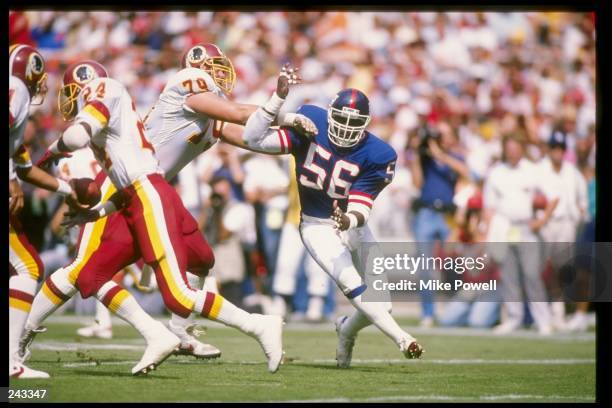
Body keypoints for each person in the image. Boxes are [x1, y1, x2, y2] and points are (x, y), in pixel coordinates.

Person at [21, 50, 312, 375]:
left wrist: (303, 142)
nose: (219, 75)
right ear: (197, 70)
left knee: (201, 258)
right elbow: (242, 113)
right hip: (122, 188)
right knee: (84, 272)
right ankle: (23, 332)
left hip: (151, 191)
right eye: (212, 68)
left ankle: (176, 330)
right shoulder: (189, 87)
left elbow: (253, 136)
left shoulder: (207, 117)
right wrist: (284, 113)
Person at [239, 87, 424, 368]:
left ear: (366, 124)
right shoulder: (311, 121)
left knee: (381, 304)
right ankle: (402, 338)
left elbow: (362, 205)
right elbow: (253, 138)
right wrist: (285, 113)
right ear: (329, 114)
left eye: (354, 123)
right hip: (316, 225)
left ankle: (346, 330)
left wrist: (348, 220)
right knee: (354, 285)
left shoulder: (378, 153)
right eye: (342, 119)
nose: (347, 128)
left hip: (352, 225)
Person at [9, 44, 88, 379]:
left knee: (28, 265)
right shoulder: (17, 90)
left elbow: (26, 167)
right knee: (28, 266)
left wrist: (69, 189)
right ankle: (10, 360)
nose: (41, 84)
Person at [483, 135, 557, 335]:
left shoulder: (532, 171)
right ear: (505, 150)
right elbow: (489, 206)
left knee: (532, 274)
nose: (513, 152)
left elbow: (553, 197)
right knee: (509, 275)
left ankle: (543, 320)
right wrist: (490, 233)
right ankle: (514, 318)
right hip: (505, 227)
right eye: (510, 149)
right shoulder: (496, 173)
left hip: (526, 228)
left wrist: (541, 221)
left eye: (516, 148)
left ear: (521, 149)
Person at [408, 120, 470, 327]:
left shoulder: (455, 157)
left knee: (454, 263)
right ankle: (428, 312)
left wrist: (440, 155)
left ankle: (455, 309)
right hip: (426, 212)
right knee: (424, 266)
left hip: (447, 215)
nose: (438, 139)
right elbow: (417, 184)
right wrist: (418, 154)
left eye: (442, 134)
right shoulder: (425, 160)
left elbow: (465, 172)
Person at [537, 130, 588, 330]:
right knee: (541, 268)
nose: (558, 152)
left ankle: (558, 311)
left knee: (562, 269)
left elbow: (582, 199)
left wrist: (579, 213)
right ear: (549, 150)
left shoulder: (572, 172)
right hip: (545, 224)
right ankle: (543, 312)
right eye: (554, 148)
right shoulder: (538, 170)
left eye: (561, 149)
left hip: (566, 224)